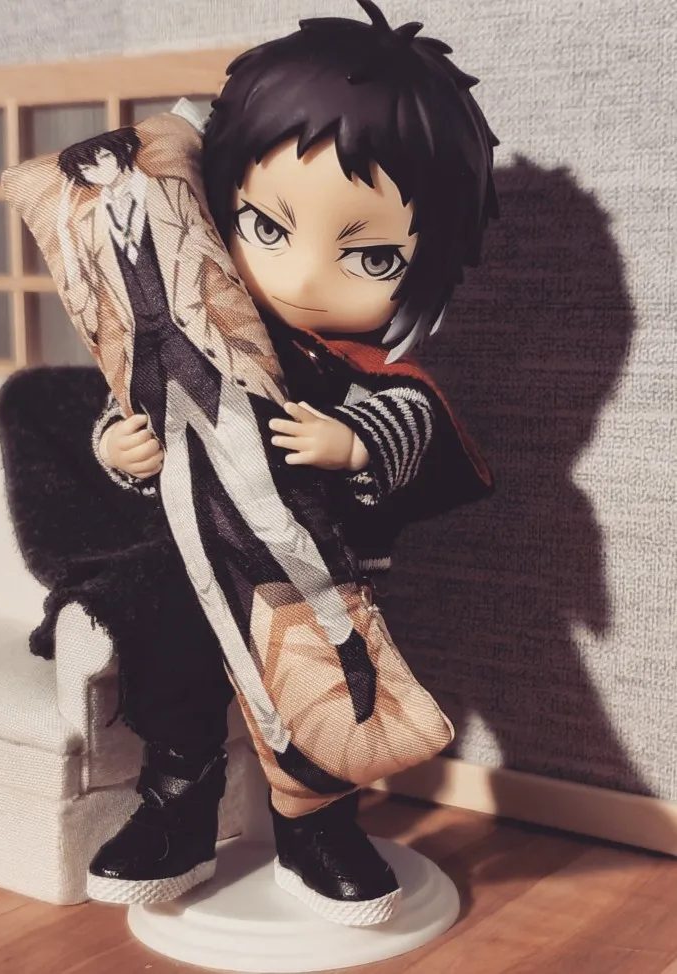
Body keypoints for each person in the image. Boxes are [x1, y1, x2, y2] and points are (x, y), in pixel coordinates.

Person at [86, 0, 497, 926]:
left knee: (324, 702)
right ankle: (177, 803)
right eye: (268, 228)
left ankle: (315, 831)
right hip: (193, 561)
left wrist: (354, 443)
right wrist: (122, 448)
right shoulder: (199, 331)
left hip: (314, 577)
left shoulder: (365, 370)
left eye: (372, 255)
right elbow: (131, 399)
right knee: (175, 674)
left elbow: (415, 419)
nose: (305, 275)